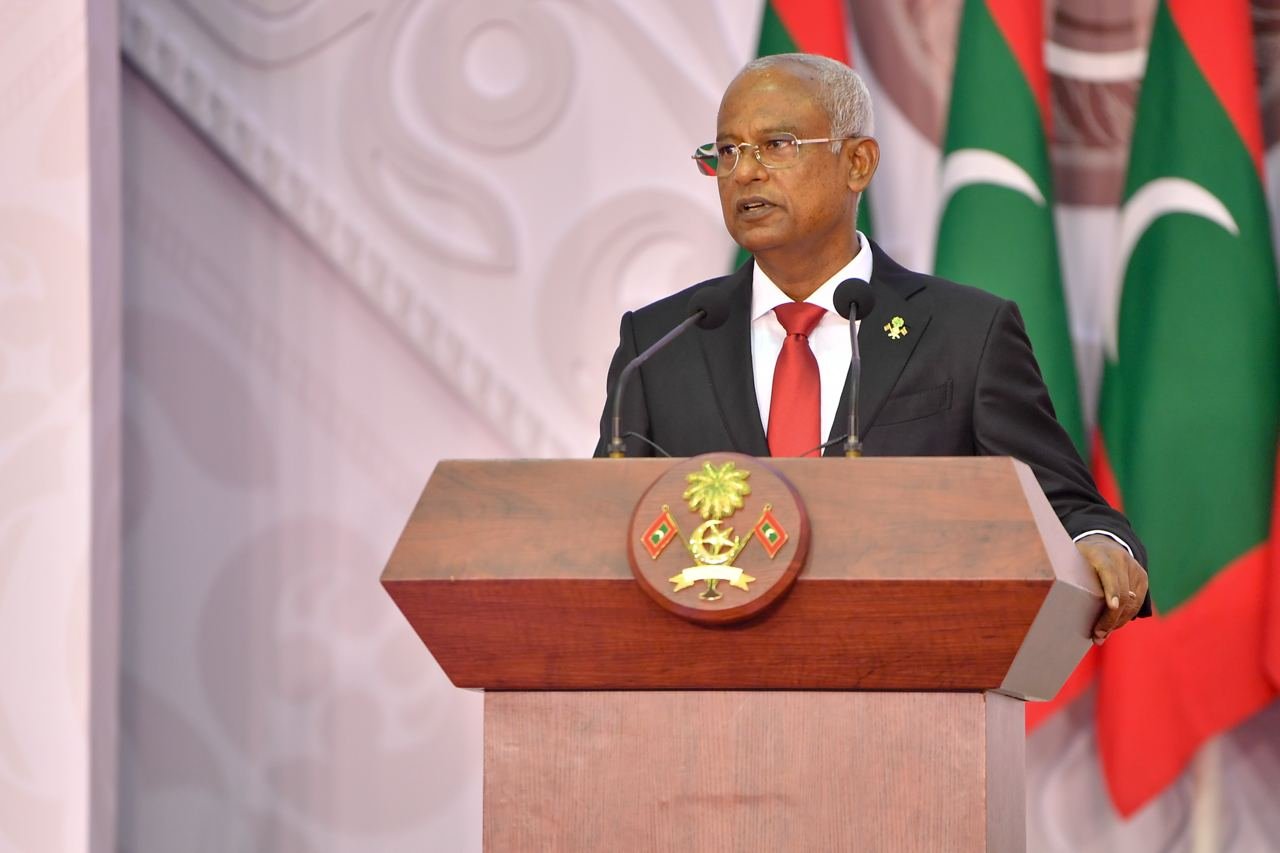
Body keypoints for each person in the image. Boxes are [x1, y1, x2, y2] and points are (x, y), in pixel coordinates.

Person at [594, 53, 1149, 641]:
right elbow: (601, 528)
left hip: (907, 664)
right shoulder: (660, 343)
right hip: (708, 672)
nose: (744, 172)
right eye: (727, 151)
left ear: (857, 163)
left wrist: (1098, 543)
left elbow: (1064, 506)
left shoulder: (966, 333)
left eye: (776, 145)